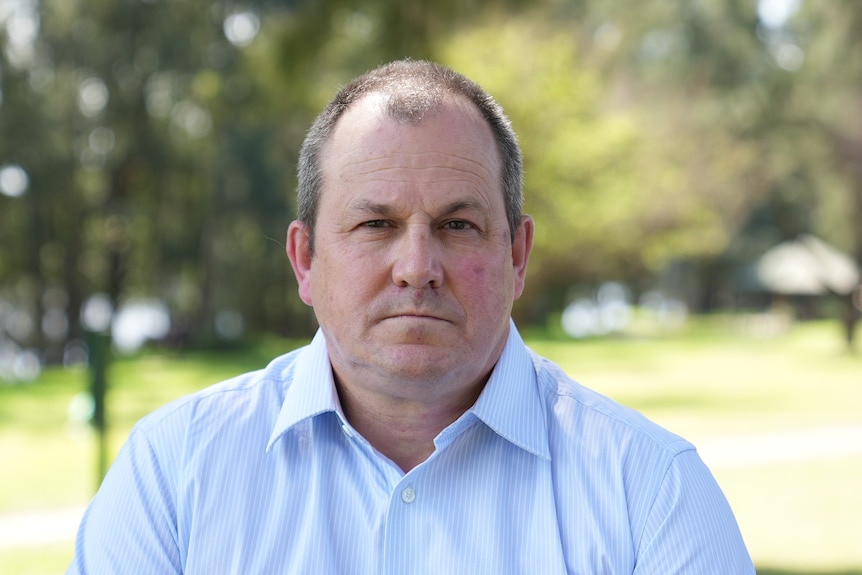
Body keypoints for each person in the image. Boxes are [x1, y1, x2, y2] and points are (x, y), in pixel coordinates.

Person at [67, 59, 755, 574]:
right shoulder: (174, 472)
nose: (417, 264)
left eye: (457, 223)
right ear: (304, 259)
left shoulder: (654, 491)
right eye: (375, 222)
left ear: (517, 256)